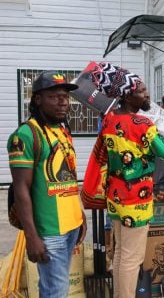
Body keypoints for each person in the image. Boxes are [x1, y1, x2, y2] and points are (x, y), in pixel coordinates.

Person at [82, 62, 164, 298]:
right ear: (127, 95)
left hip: (116, 197)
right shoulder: (142, 124)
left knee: (122, 254)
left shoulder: (110, 121)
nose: (147, 95)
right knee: (132, 258)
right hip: (136, 200)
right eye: (142, 91)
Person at [7, 71, 87, 297]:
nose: (63, 102)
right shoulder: (25, 135)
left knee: (55, 290)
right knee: (56, 292)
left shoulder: (62, 130)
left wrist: (79, 215)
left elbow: (67, 177)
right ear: (38, 99)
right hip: (49, 231)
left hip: (71, 226)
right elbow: (21, 189)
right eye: (54, 97)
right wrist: (32, 237)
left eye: (65, 96)